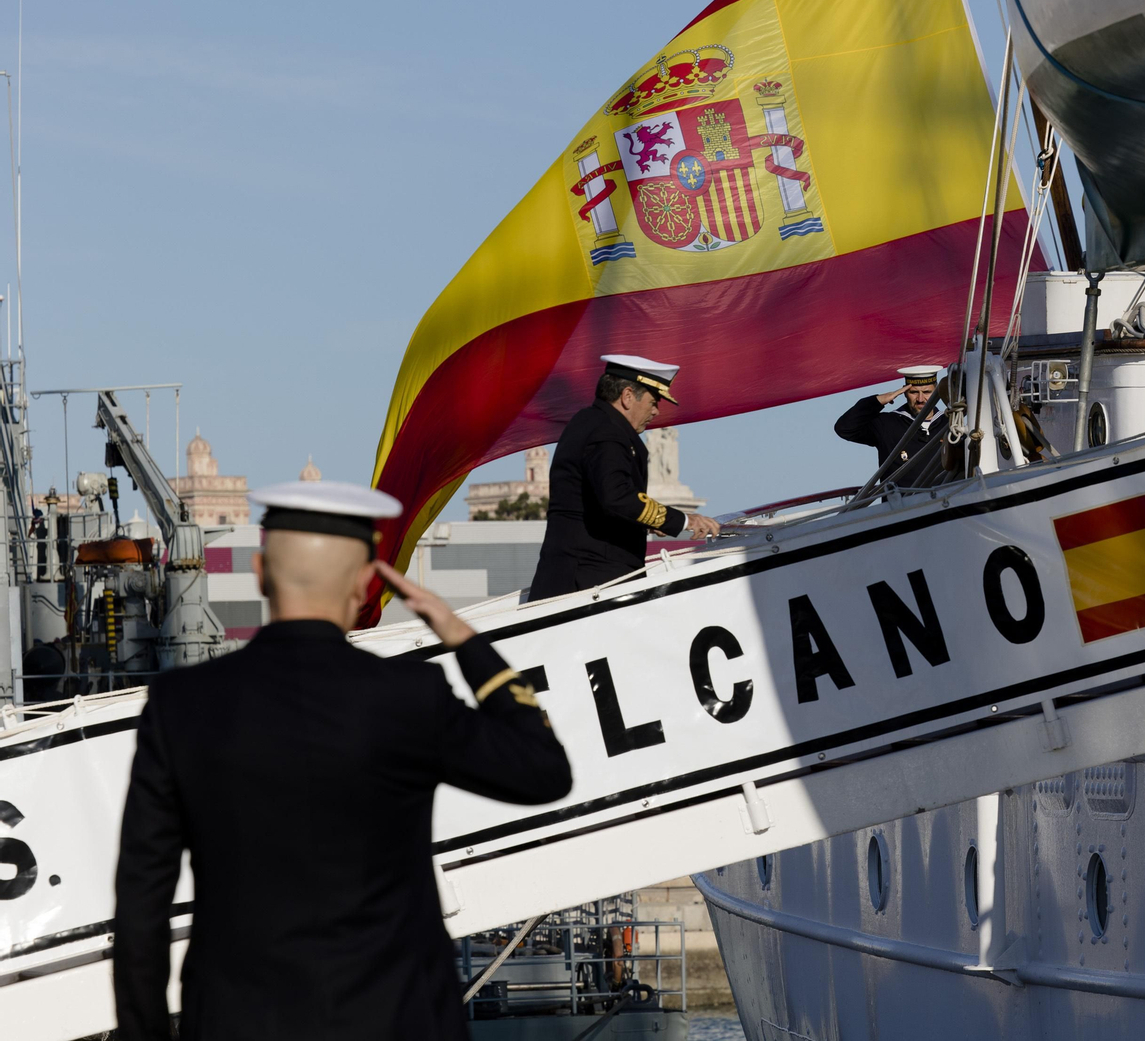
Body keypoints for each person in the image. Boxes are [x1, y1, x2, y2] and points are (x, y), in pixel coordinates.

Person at [113, 480, 571, 1041]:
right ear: (363, 585)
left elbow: (141, 904)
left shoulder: (180, 706)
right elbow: (543, 771)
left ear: (261, 573)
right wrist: (460, 635)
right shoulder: (409, 697)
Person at [528, 355, 720, 599]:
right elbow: (617, 496)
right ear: (628, 396)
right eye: (653, 401)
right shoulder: (606, 432)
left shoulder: (592, 422)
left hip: (584, 578)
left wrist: (651, 520)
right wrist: (684, 521)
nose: (656, 411)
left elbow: (601, 501)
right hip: (591, 583)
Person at [834, 365, 948, 469]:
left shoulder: (949, 423)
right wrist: (877, 401)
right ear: (904, 392)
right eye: (914, 392)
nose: (920, 399)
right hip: (902, 492)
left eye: (927, 392)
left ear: (937, 391)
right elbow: (844, 428)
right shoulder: (887, 424)